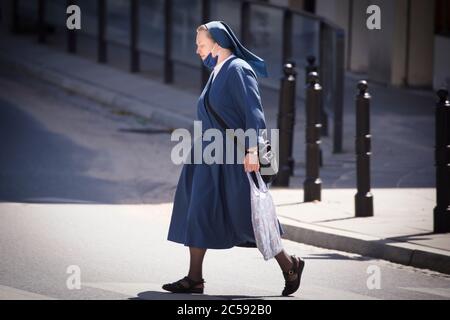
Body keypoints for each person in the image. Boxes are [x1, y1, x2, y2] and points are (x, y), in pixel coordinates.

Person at [163, 21, 305, 296]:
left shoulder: (238, 70)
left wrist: (253, 149)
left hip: (233, 159)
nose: (197, 50)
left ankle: (289, 265)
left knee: (248, 216)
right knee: (199, 209)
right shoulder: (218, 71)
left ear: (217, 43)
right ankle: (194, 278)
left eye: (200, 44)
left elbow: (254, 112)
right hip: (208, 158)